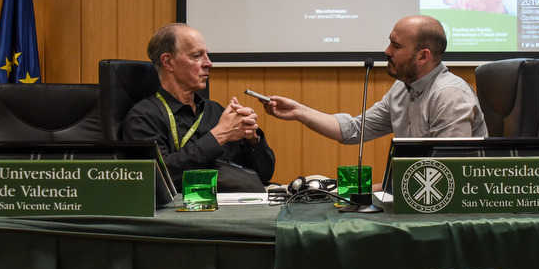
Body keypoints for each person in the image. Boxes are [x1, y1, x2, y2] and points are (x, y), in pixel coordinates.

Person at [263, 15, 486, 143]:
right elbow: (353, 130)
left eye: (396, 46)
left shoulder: (449, 95)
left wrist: (381, 188)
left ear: (423, 56)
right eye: (390, 42)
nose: (386, 51)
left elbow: (449, 171)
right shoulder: (401, 89)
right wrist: (299, 111)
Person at [122, 23, 275, 189]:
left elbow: (264, 174)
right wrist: (218, 136)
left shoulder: (215, 111)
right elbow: (155, 177)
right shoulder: (143, 117)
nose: (209, 63)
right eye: (197, 56)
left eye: (207, 56)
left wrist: (252, 139)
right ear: (168, 62)